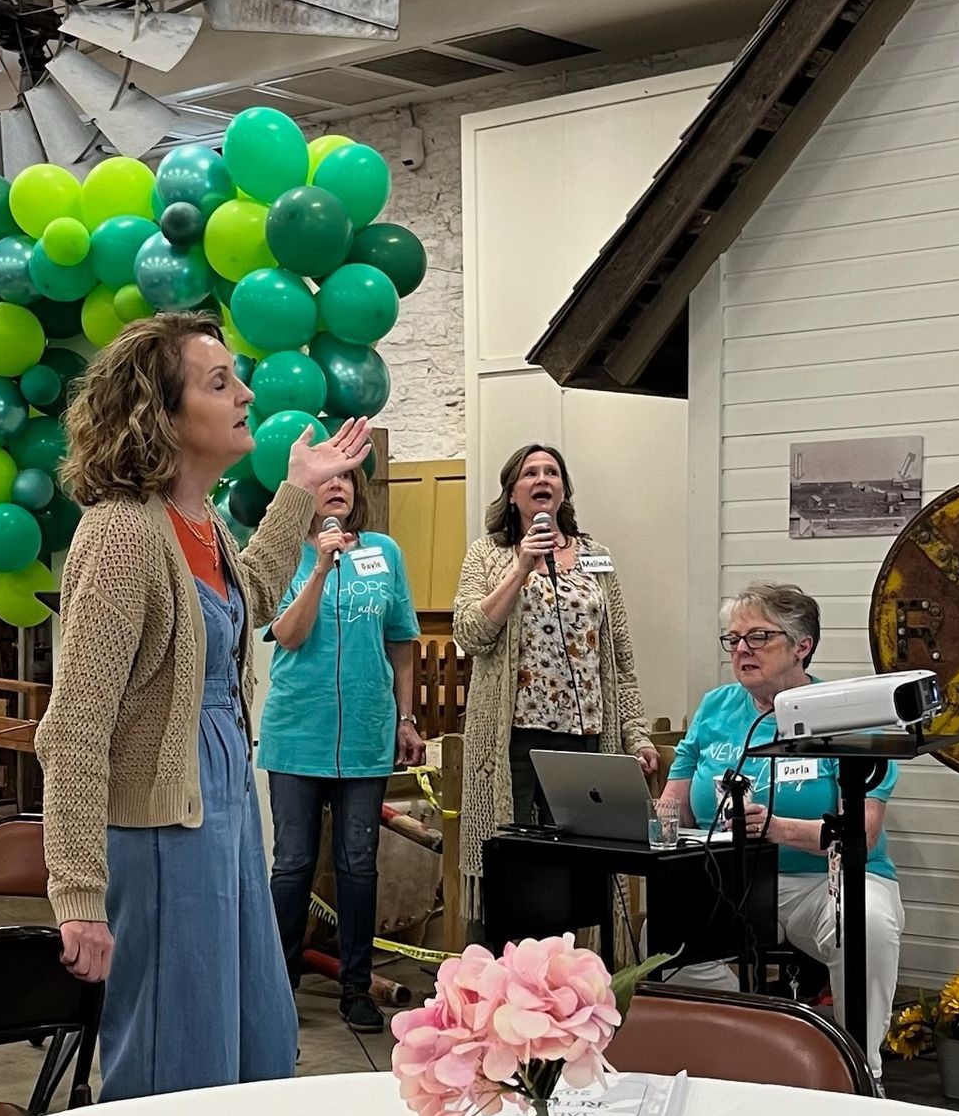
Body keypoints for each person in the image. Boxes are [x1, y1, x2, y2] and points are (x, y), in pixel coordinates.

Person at [38, 311, 371, 1101]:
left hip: (221, 811)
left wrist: (295, 493)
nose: (246, 392)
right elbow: (76, 727)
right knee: (176, 1055)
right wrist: (78, 893)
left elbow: (250, 593)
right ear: (163, 414)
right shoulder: (121, 534)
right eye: (219, 383)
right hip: (159, 830)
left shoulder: (200, 521)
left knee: (256, 1032)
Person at [660, 582, 904, 1075]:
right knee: (665, 939)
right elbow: (676, 807)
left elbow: (863, 835)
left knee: (869, 925)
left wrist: (778, 828)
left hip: (827, 881)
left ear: (802, 646)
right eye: (733, 640)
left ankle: (859, 1068)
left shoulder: (845, 713)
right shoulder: (716, 707)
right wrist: (644, 814)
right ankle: (762, 1034)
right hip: (736, 878)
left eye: (758, 638)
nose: (742, 650)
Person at [452, 444, 656, 925]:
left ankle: (572, 981)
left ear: (563, 489)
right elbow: (470, 633)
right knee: (512, 866)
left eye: (551, 472)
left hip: (584, 740)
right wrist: (521, 568)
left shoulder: (597, 558)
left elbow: (620, 658)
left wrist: (636, 732)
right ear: (512, 491)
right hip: (514, 741)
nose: (541, 479)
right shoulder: (489, 555)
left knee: (580, 871)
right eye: (529, 473)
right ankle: (504, 980)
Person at [258, 467, 424, 1037]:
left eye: (348, 480)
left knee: (358, 863)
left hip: (365, 732)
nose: (339, 488)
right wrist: (322, 567)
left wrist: (406, 716)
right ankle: (278, 984)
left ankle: (357, 987)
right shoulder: (284, 554)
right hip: (297, 732)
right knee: (294, 864)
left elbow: (401, 640)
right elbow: (289, 634)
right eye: (327, 479)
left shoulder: (384, 552)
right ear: (304, 489)